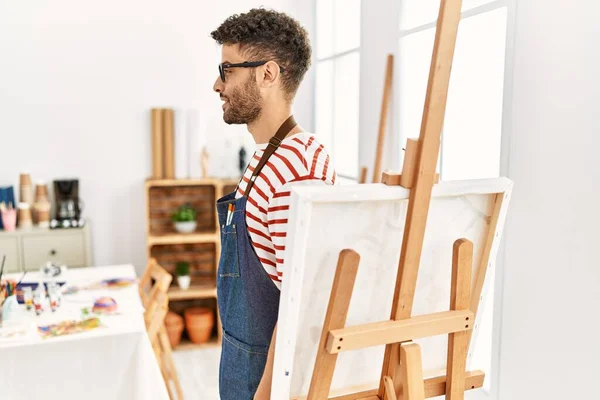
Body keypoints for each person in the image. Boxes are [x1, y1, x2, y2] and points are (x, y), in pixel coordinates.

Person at [211, 8, 336, 399]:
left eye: (227, 70)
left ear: (267, 74)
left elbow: (304, 306)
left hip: (263, 381)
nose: (217, 84)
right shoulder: (270, 156)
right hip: (242, 361)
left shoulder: (295, 167)